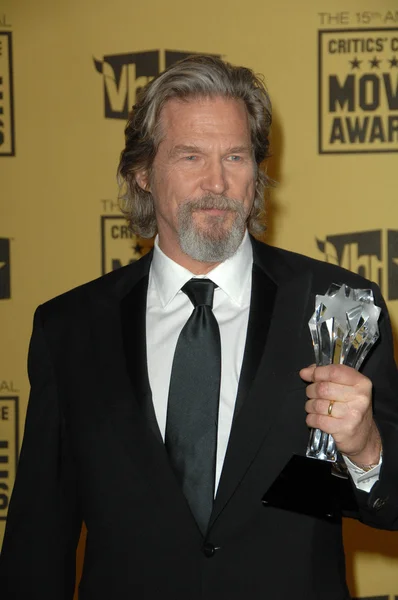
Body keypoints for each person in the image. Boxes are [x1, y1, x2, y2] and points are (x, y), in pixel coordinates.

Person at [1, 55, 398, 600]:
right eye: (191, 156)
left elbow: (390, 507)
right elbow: (39, 539)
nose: (217, 182)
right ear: (142, 170)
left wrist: (366, 450)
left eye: (236, 155)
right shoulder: (69, 328)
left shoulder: (341, 305)